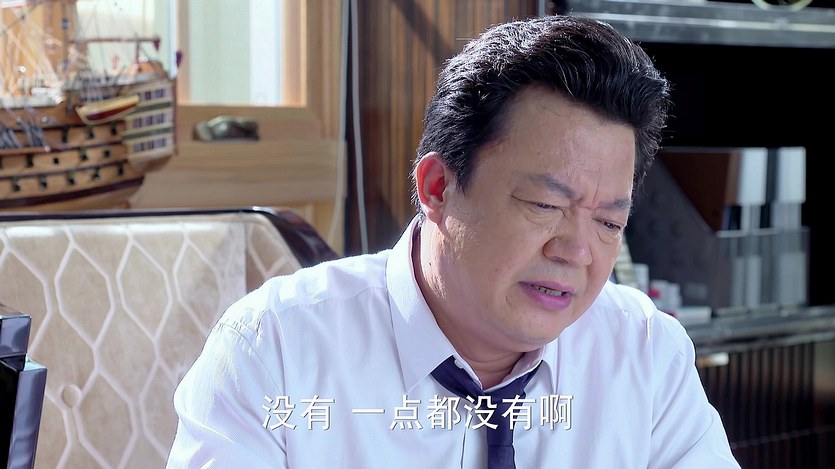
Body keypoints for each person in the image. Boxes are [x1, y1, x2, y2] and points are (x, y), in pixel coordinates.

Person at [166, 15, 740, 469]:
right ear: (438, 187)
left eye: (609, 223)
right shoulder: (274, 350)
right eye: (545, 206)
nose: (577, 252)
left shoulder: (644, 352)